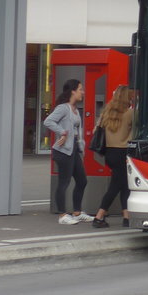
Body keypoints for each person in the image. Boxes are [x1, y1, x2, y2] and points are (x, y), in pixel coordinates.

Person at [43, 79, 92, 224]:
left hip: (73, 150)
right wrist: (62, 132)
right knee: (64, 182)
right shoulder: (63, 108)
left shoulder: (75, 110)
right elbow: (48, 121)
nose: (82, 92)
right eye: (80, 89)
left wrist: (81, 146)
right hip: (63, 151)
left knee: (82, 180)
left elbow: (77, 132)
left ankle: (77, 212)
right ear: (73, 91)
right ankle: (62, 215)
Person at [92, 85, 135, 228]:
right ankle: (99, 216)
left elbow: (96, 130)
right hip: (123, 152)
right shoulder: (131, 113)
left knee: (124, 186)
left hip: (110, 153)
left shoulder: (106, 113)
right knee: (115, 186)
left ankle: (126, 217)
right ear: (127, 97)